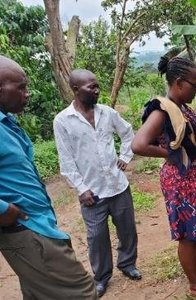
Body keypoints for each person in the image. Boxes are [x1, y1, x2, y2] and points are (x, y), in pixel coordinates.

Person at [131, 56, 196, 299]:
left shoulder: (179, 107)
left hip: (195, 177)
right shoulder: (161, 110)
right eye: (194, 85)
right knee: (187, 234)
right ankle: (195, 285)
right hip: (183, 180)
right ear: (178, 83)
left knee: (195, 228)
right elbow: (138, 144)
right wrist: (170, 153)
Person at [0, 56, 97, 299]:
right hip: (26, 227)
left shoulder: (7, 123)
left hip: (35, 225)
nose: (27, 93)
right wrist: (4, 210)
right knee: (83, 292)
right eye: (20, 87)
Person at [53, 69, 141, 298]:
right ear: (75, 90)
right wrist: (81, 189)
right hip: (92, 192)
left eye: (97, 86)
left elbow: (128, 133)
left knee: (127, 229)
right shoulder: (63, 121)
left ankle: (127, 263)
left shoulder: (108, 113)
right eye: (91, 87)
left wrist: (125, 157)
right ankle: (101, 277)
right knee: (96, 237)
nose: (97, 90)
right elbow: (66, 159)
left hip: (117, 184)